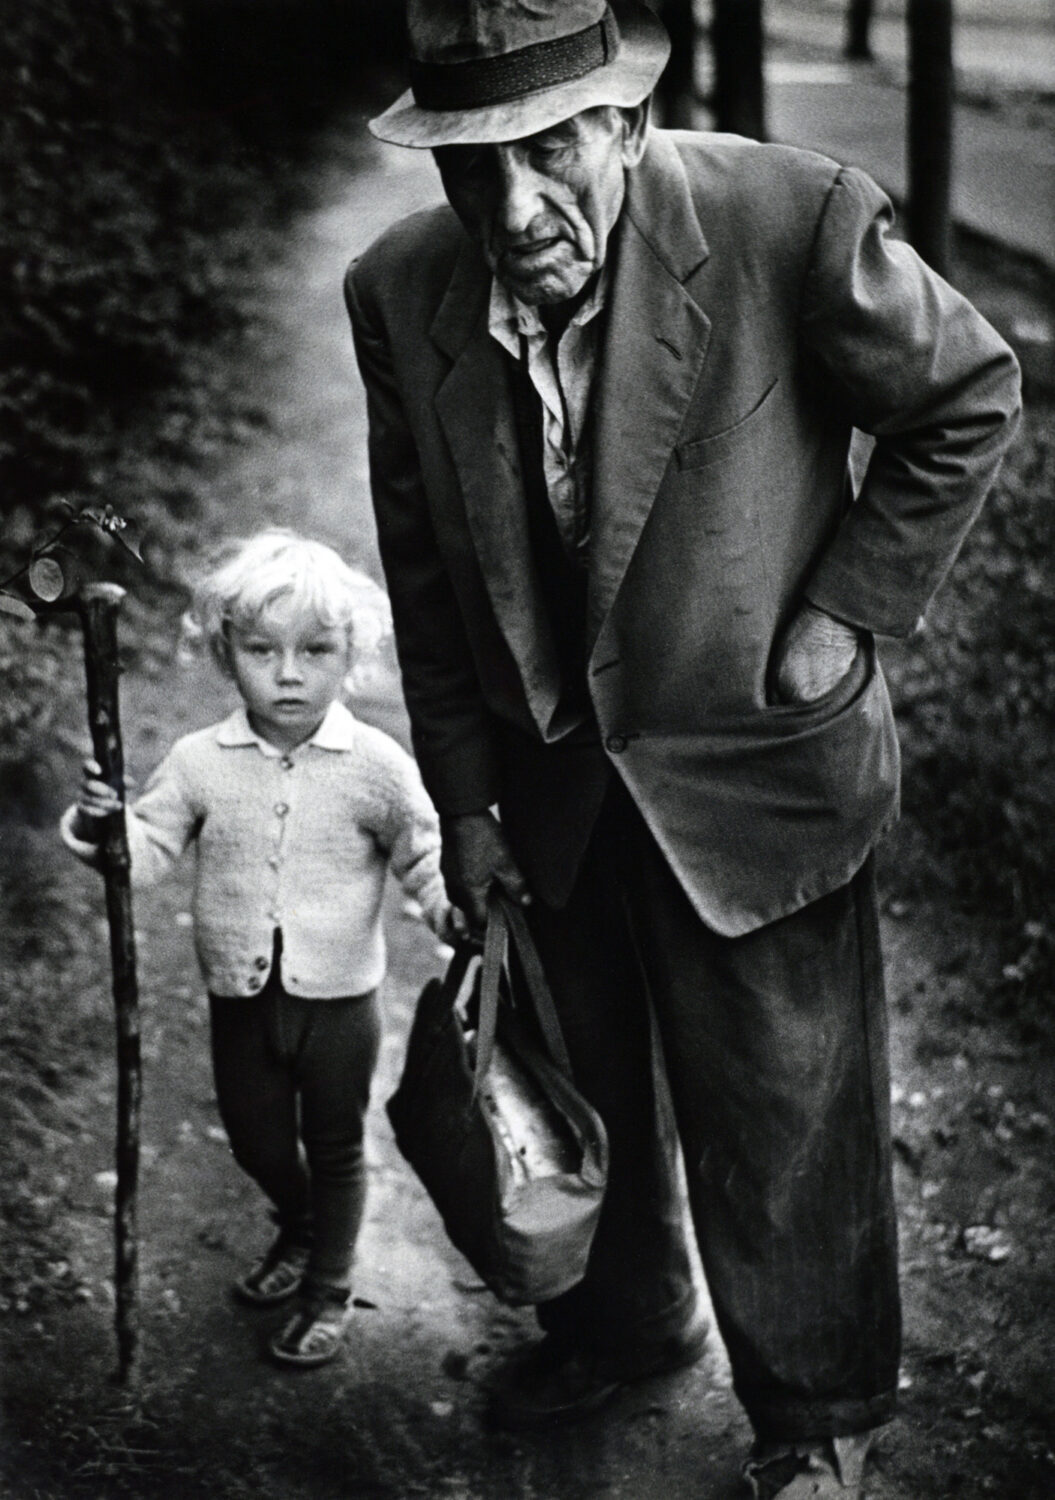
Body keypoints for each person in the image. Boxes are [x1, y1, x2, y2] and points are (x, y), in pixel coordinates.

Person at [345, 2, 1021, 1493]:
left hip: (752, 770)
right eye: (472, 170)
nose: (511, 211)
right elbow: (427, 582)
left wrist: (847, 609)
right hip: (552, 788)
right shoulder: (397, 291)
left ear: (624, 121)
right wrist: (463, 803)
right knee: (583, 1076)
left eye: (547, 153)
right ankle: (626, 1321)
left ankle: (815, 1416)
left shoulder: (788, 218)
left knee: (784, 1109)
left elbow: (963, 395)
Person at [61, 529, 455, 1368]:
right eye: (261, 650)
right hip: (239, 999)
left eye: (314, 652)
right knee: (256, 1140)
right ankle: (300, 1222)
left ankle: (328, 1286)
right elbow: (148, 852)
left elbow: (422, 851)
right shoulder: (202, 763)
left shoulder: (375, 766)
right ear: (223, 655)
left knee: (339, 1144)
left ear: (348, 658)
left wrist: (448, 907)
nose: (288, 673)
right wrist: (106, 827)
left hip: (342, 1003)